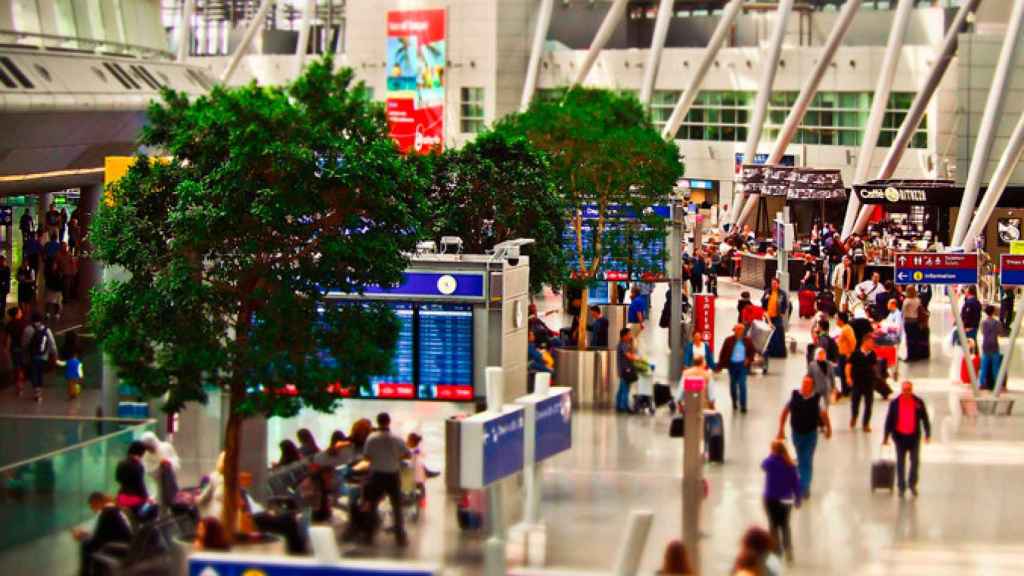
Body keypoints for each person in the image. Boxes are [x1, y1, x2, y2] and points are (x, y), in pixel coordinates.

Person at [777, 376, 832, 498]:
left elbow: (824, 415)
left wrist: (829, 428)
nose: (804, 386)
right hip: (797, 433)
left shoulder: (818, 399)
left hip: (811, 434)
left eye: (807, 384)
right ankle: (802, 484)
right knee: (803, 459)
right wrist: (780, 429)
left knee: (806, 459)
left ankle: (804, 486)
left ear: (812, 387)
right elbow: (785, 412)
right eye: (803, 383)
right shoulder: (794, 396)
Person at [361, 412, 411, 546]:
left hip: (376, 475)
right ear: (389, 422)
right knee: (397, 506)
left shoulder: (371, 438)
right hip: (393, 475)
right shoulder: (397, 438)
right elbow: (407, 454)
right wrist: (395, 458)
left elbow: (366, 457)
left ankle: (368, 535)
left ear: (378, 422)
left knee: (372, 504)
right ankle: (400, 537)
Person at [883, 380, 931, 498]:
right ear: (901, 390)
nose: (906, 392)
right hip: (899, 437)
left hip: (914, 437)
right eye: (904, 390)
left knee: (915, 462)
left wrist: (927, 433)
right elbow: (889, 421)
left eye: (908, 390)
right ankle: (901, 486)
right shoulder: (895, 403)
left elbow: (925, 419)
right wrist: (886, 436)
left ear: (912, 390)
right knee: (900, 463)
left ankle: (912, 484)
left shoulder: (918, 403)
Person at [72, 492, 133, 576]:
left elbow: (97, 539)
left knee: (86, 545)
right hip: (122, 544)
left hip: (117, 548)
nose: (92, 509)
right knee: (87, 543)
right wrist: (87, 535)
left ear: (97, 502)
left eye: (92, 505)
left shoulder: (108, 512)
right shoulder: (114, 510)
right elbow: (104, 533)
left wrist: (83, 536)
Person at [761, 440, 801, 562]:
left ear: (773, 451)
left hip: (771, 498)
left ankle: (776, 550)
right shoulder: (791, 465)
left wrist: (772, 455)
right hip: (786, 500)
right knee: (785, 525)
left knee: (773, 525)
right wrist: (798, 499)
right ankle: (788, 549)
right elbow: (796, 484)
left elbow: (763, 465)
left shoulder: (770, 462)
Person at [716, 323, 755, 413]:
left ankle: (743, 405)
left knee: (742, 384)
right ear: (734, 331)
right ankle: (734, 400)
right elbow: (723, 353)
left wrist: (748, 359)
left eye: (741, 330)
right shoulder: (728, 340)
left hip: (742, 366)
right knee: (733, 385)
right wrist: (719, 366)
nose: (739, 331)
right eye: (737, 330)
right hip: (732, 365)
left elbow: (752, 352)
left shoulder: (747, 341)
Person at [21, 313, 57, 403]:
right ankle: (39, 391)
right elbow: (52, 343)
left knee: (34, 373)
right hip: (44, 356)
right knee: (40, 373)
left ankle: (36, 391)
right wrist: (55, 354)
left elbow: (24, 344)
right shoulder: (46, 329)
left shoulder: (28, 329)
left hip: (32, 356)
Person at [847, 334, 878, 432]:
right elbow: (848, 365)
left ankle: (866, 424)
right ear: (865, 342)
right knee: (855, 402)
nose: (872, 344)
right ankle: (854, 416)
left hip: (869, 383)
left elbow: (874, 366)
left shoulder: (872, 354)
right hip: (857, 382)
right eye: (871, 342)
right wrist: (848, 377)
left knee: (869, 404)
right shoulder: (856, 354)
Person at [115, 441, 153, 518]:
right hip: (135, 500)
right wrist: (147, 499)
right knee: (152, 506)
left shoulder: (121, 463)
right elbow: (140, 485)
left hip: (121, 497)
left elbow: (117, 478)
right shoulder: (138, 466)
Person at [761, 277, 789, 359]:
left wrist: (782, 313)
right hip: (768, 316)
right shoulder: (767, 292)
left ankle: (778, 353)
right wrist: (765, 299)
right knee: (769, 334)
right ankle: (769, 351)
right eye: (772, 283)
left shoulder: (782, 293)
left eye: (775, 283)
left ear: (778, 284)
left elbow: (785, 304)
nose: (773, 285)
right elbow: (762, 302)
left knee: (778, 334)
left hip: (777, 316)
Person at [902, 286, 928, 361]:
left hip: (908, 321)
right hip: (916, 321)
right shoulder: (918, 300)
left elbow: (903, 312)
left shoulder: (907, 301)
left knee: (909, 339)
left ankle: (910, 356)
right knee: (915, 338)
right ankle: (916, 355)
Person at [616, 328, 639, 413]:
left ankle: (619, 405)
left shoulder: (625, 344)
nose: (630, 336)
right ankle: (624, 406)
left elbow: (632, 351)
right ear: (624, 336)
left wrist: (632, 341)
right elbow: (629, 356)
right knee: (625, 389)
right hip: (626, 370)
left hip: (624, 370)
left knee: (622, 388)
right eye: (629, 334)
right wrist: (637, 358)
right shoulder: (623, 345)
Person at [980, 305, 1001, 390]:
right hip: (994, 345)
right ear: (993, 312)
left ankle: (982, 383)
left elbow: (982, 332)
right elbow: (999, 332)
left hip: (986, 346)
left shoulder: (983, 323)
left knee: (984, 367)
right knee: (995, 367)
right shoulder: (997, 323)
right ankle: (997, 384)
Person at [835, 312, 856, 396]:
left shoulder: (846, 329)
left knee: (844, 374)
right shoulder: (844, 329)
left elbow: (853, 341)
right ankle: (846, 390)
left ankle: (846, 391)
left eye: (837, 319)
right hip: (842, 354)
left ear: (841, 320)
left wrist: (850, 353)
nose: (836, 321)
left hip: (845, 355)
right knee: (843, 373)